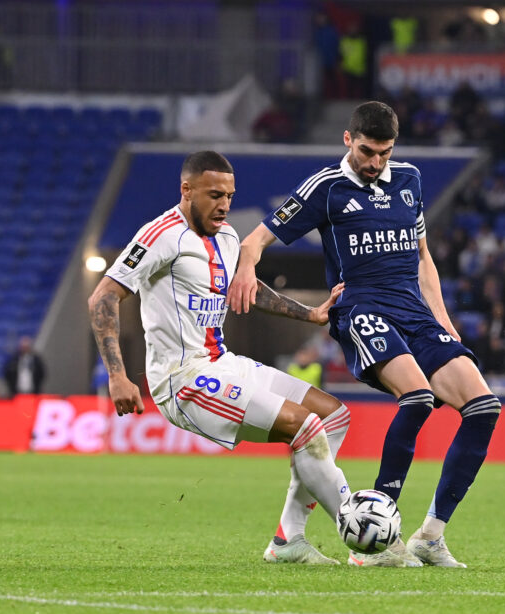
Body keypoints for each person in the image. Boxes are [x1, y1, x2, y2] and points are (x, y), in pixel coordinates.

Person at [228, 102, 501, 568]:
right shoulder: (325, 188)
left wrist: (443, 321)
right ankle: (381, 539)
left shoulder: (410, 179)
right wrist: (245, 270)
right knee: (417, 398)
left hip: (414, 312)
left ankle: (430, 536)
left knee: (484, 408)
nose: (376, 162)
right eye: (368, 151)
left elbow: (423, 257)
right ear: (348, 139)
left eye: (385, 152)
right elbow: (254, 240)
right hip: (361, 309)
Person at [88, 151, 352, 565]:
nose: (224, 205)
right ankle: (361, 528)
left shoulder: (227, 236)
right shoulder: (160, 235)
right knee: (306, 426)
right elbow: (103, 296)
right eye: (214, 195)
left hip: (223, 362)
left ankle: (289, 540)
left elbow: (249, 290)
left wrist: (311, 314)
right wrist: (117, 375)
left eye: (229, 196)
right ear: (186, 190)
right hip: (183, 379)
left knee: (334, 416)